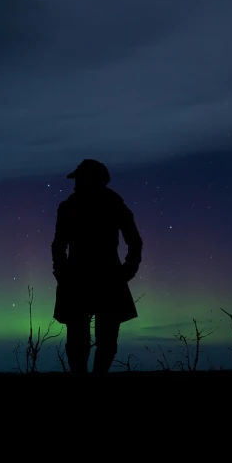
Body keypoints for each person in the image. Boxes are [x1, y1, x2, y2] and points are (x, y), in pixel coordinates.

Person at [51, 159, 143, 374]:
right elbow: (59, 243)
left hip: (100, 276)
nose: (77, 183)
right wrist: (61, 270)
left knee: (103, 337)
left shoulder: (110, 203)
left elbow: (134, 241)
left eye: (81, 178)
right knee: (84, 338)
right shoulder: (73, 206)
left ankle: (95, 376)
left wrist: (128, 270)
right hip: (89, 276)